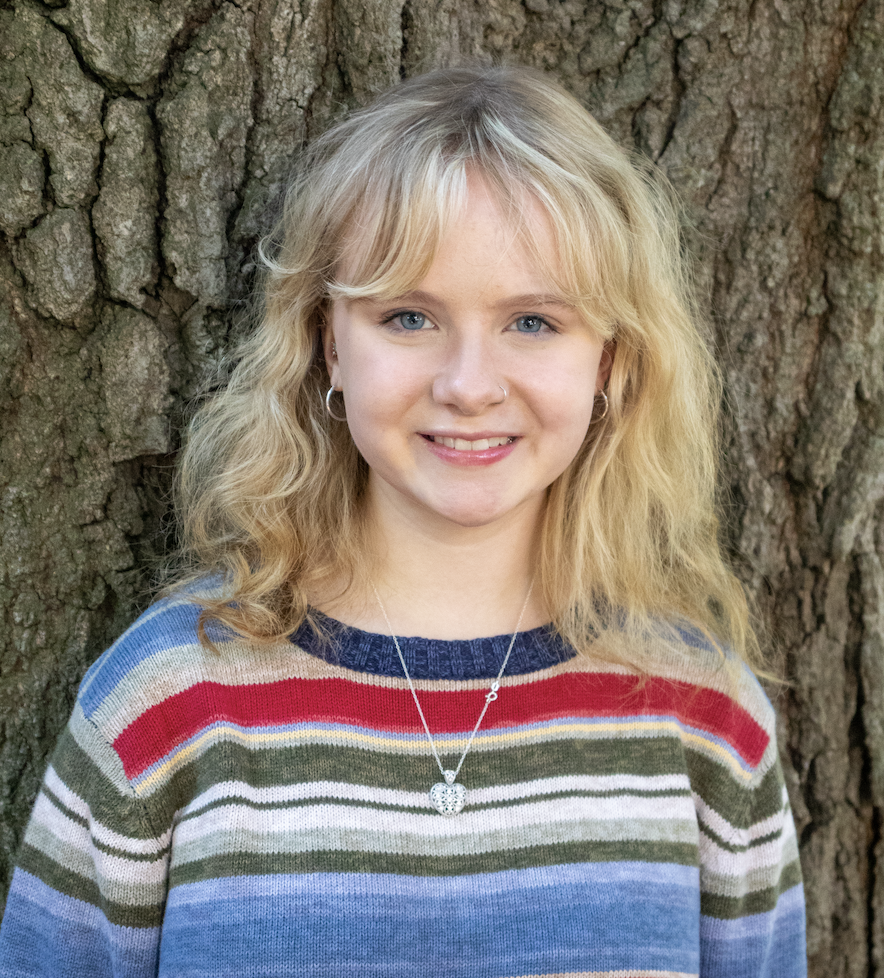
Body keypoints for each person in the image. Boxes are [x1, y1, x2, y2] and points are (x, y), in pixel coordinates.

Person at [0, 65, 806, 977]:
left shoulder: (705, 720)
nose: (468, 384)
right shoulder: (166, 710)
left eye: (533, 322)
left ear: (611, 363)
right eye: (410, 316)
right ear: (327, 341)